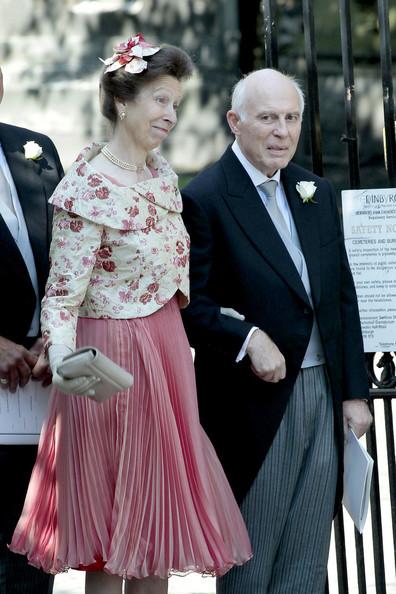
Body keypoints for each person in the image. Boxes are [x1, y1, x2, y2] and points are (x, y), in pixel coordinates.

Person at [10, 35, 252, 594]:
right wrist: (71, 367)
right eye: (161, 100)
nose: (171, 114)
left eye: (176, 102)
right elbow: (63, 296)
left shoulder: (163, 177)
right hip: (110, 362)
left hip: (167, 354)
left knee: (156, 534)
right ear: (124, 102)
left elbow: (175, 273)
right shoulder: (87, 187)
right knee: (111, 541)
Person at [181, 68, 373, 594]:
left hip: (323, 393)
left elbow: (342, 297)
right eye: (267, 118)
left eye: (291, 118)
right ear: (234, 122)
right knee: (253, 559)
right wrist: (246, 339)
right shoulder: (205, 197)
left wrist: (355, 392)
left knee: (309, 556)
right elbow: (189, 305)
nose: (281, 131)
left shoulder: (317, 190)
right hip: (254, 403)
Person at [0, 66, 63, 594]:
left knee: (32, 555)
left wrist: (55, 332)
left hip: (38, 389)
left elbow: (74, 256)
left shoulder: (34, 149)